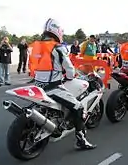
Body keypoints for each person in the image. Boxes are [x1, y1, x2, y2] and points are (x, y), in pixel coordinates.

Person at [32, 18, 96, 150]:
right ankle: (81, 140)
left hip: (37, 85)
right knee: (78, 107)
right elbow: (70, 70)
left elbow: (32, 66)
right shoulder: (58, 47)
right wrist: (69, 76)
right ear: (57, 31)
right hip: (52, 87)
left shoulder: (36, 46)